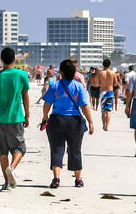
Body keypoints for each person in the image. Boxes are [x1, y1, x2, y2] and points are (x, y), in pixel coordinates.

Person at [39, 57, 95, 188]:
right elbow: (84, 106)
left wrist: (45, 117)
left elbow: (47, 104)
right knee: (75, 150)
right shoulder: (79, 86)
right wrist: (91, 122)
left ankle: (56, 179)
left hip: (57, 120)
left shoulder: (55, 85)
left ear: (62, 72)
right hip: (74, 122)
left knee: (57, 149)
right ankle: (78, 180)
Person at [0, 46, 32, 190]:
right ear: (14, 59)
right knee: (19, 148)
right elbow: (25, 97)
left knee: (2, 151)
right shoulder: (22, 75)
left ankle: (7, 183)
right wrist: (27, 114)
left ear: (2, 60)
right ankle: (12, 168)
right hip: (16, 118)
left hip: (0, 118)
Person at [98, 57, 120, 131]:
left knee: (103, 110)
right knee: (109, 110)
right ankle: (107, 126)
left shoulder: (100, 73)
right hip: (110, 92)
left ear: (103, 64)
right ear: (109, 65)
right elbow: (115, 84)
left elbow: (98, 83)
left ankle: (103, 125)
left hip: (102, 92)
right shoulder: (113, 73)